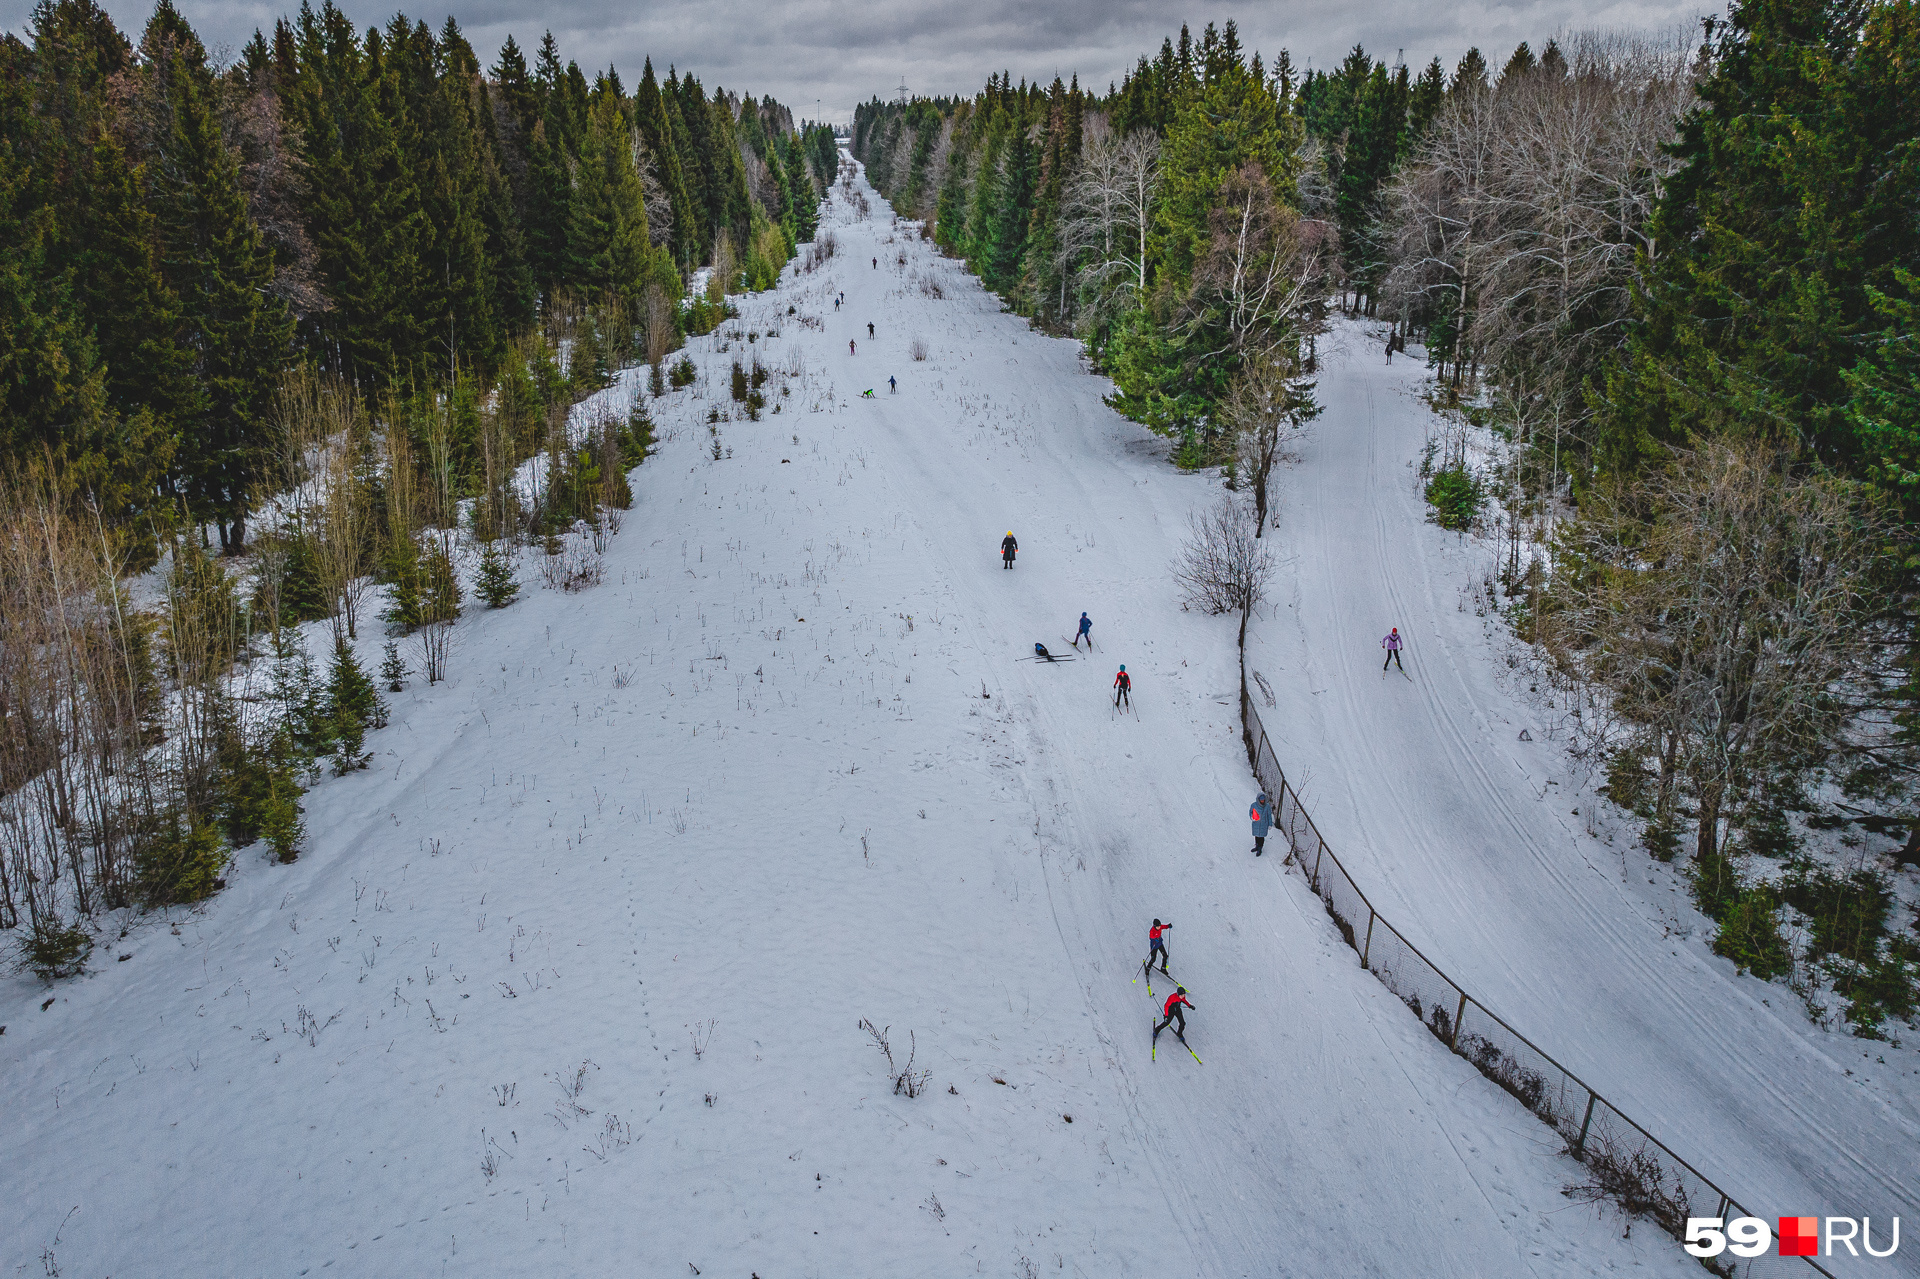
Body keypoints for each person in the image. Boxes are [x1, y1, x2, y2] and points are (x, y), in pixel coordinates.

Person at [1251, 791, 1272, 856]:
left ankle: (1260, 848)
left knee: (1261, 837)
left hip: (1263, 824)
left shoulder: (1267, 806)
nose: (1262, 801)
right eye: (1261, 800)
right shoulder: (1254, 805)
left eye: (1263, 800)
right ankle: (1257, 846)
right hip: (1256, 824)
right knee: (1257, 836)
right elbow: (1251, 812)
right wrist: (1252, 817)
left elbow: (1269, 815)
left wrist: (1270, 824)